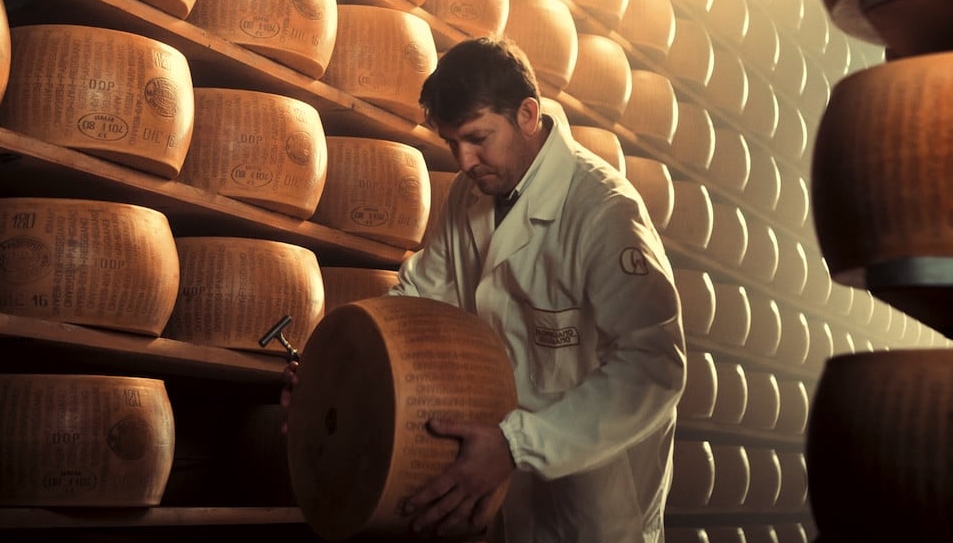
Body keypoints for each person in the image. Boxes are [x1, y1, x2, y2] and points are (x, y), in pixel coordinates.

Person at [285, 35, 686, 542]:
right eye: (453, 143)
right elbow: (417, 304)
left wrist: (518, 446)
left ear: (527, 114)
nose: (465, 160)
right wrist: (332, 374)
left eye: (477, 138)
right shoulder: (469, 194)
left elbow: (655, 368)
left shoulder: (604, 211)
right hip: (496, 482)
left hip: (598, 495)